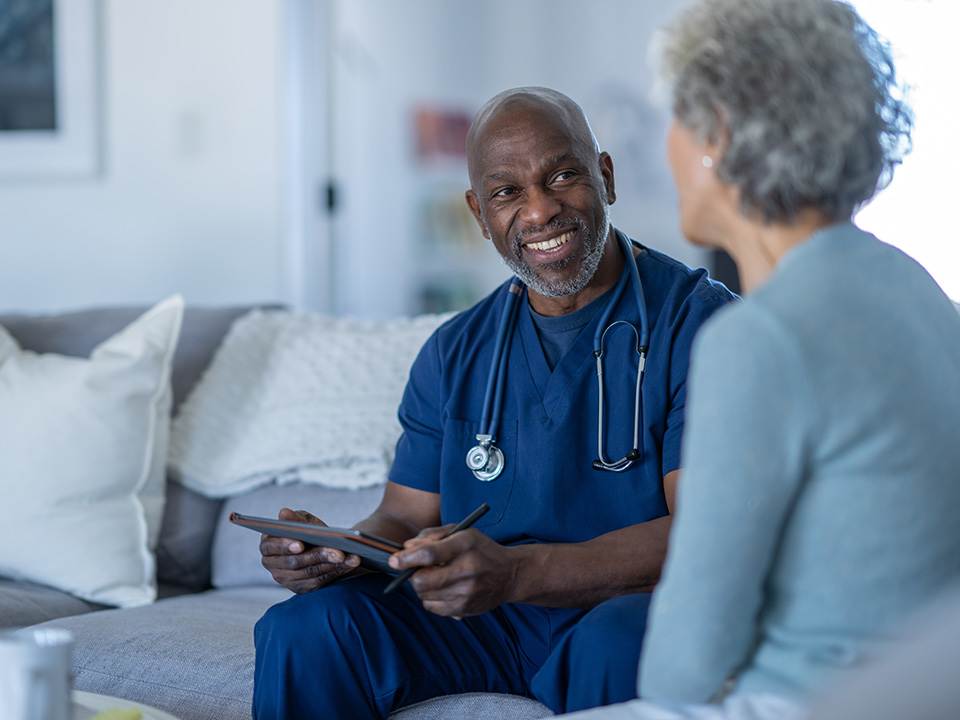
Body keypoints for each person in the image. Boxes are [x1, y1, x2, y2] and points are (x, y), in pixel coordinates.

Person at [252, 86, 736, 719]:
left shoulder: (701, 324)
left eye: (563, 175)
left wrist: (516, 572)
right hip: (486, 618)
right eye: (507, 192)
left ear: (606, 177)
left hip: (624, 605)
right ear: (479, 214)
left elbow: (706, 536)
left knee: (620, 641)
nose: (540, 211)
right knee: (307, 628)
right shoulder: (455, 350)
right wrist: (341, 554)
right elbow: (400, 518)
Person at [557, 1, 960, 719]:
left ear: (719, 134)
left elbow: (684, 665)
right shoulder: (918, 288)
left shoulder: (759, 340)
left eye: (677, 115)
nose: (670, 142)